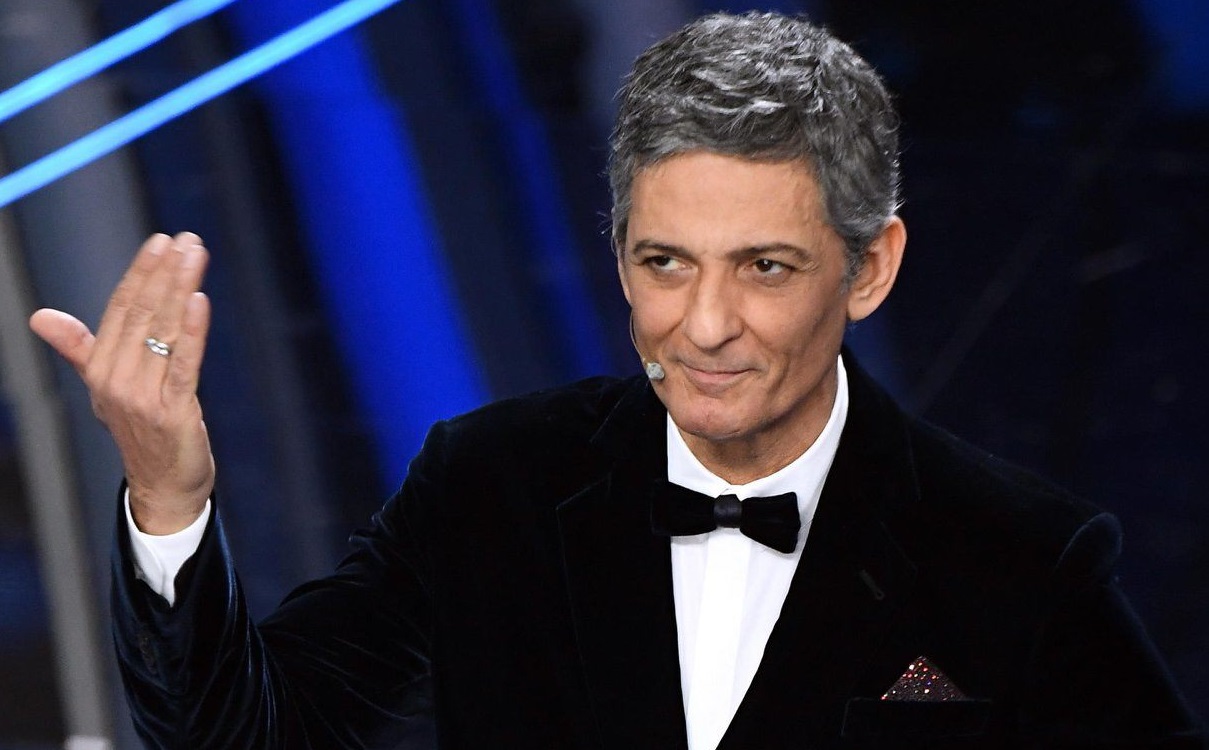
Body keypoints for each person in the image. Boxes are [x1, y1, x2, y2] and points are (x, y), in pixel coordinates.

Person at [29, 11, 1203, 750]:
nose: (705, 326)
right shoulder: (492, 486)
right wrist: (169, 496)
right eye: (665, 263)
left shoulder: (1017, 559)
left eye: (765, 267)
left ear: (871, 268)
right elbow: (241, 736)